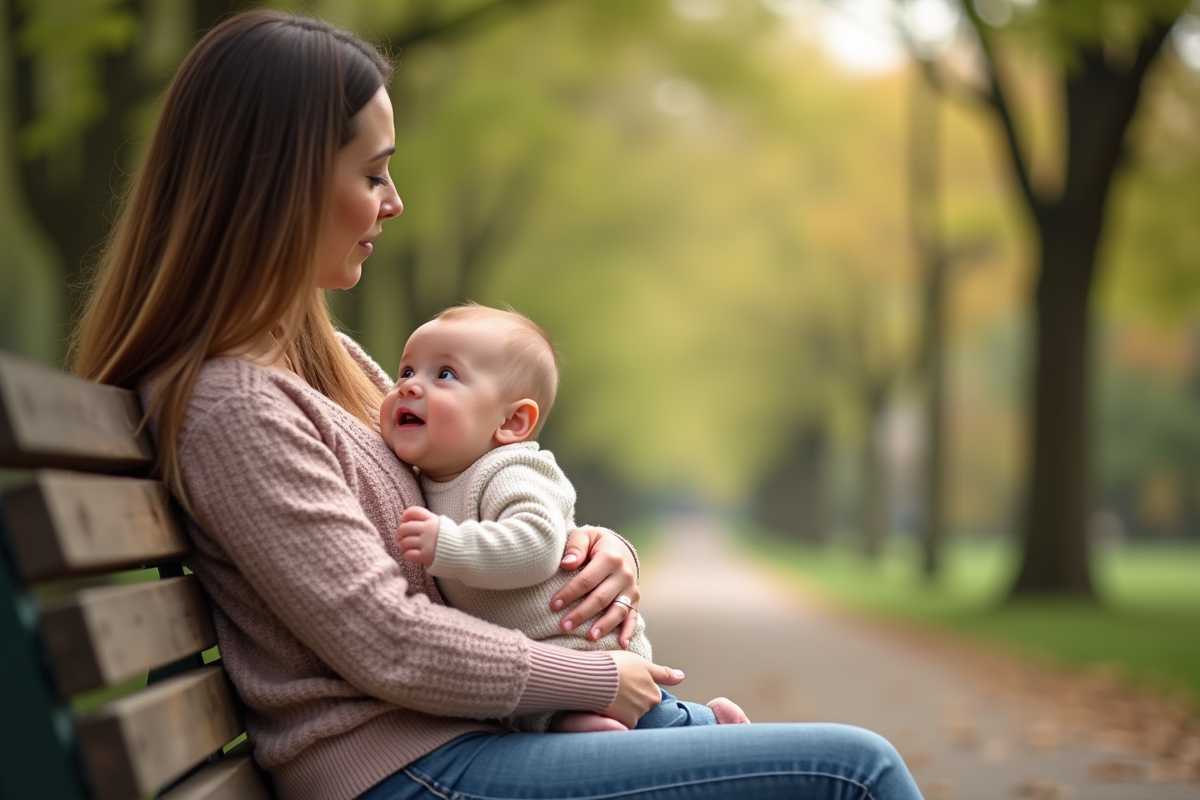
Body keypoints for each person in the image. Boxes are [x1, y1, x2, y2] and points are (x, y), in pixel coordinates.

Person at [71, 9, 925, 800]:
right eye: (373, 174)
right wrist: (594, 678)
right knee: (853, 773)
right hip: (407, 769)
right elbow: (385, 639)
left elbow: (476, 481)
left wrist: (594, 549)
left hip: (461, 741)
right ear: (282, 184)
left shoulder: (330, 362)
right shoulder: (236, 408)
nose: (395, 202)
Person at [380, 303, 748, 733]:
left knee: (656, 725)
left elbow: (537, 545)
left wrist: (449, 545)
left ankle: (712, 726)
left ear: (513, 421)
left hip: (587, 650)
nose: (409, 388)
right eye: (406, 372)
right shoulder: (429, 478)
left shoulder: (508, 470)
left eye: (444, 375)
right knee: (583, 734)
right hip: (538, 682)